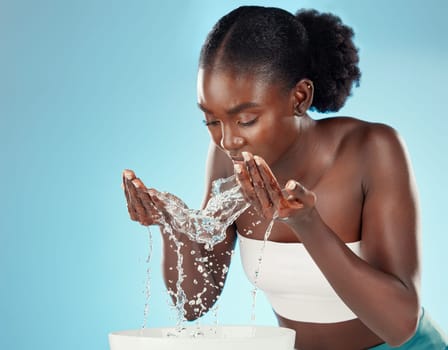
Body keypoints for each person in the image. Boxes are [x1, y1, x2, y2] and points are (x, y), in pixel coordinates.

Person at [122, 6, 448, 350]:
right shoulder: (226, 160)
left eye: (245, 119)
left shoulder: (371, 149)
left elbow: (400, 326)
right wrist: (171, 225)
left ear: (299, 97)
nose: (228, 140)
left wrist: (307, 224)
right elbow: (193, 304)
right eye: (211, 121)